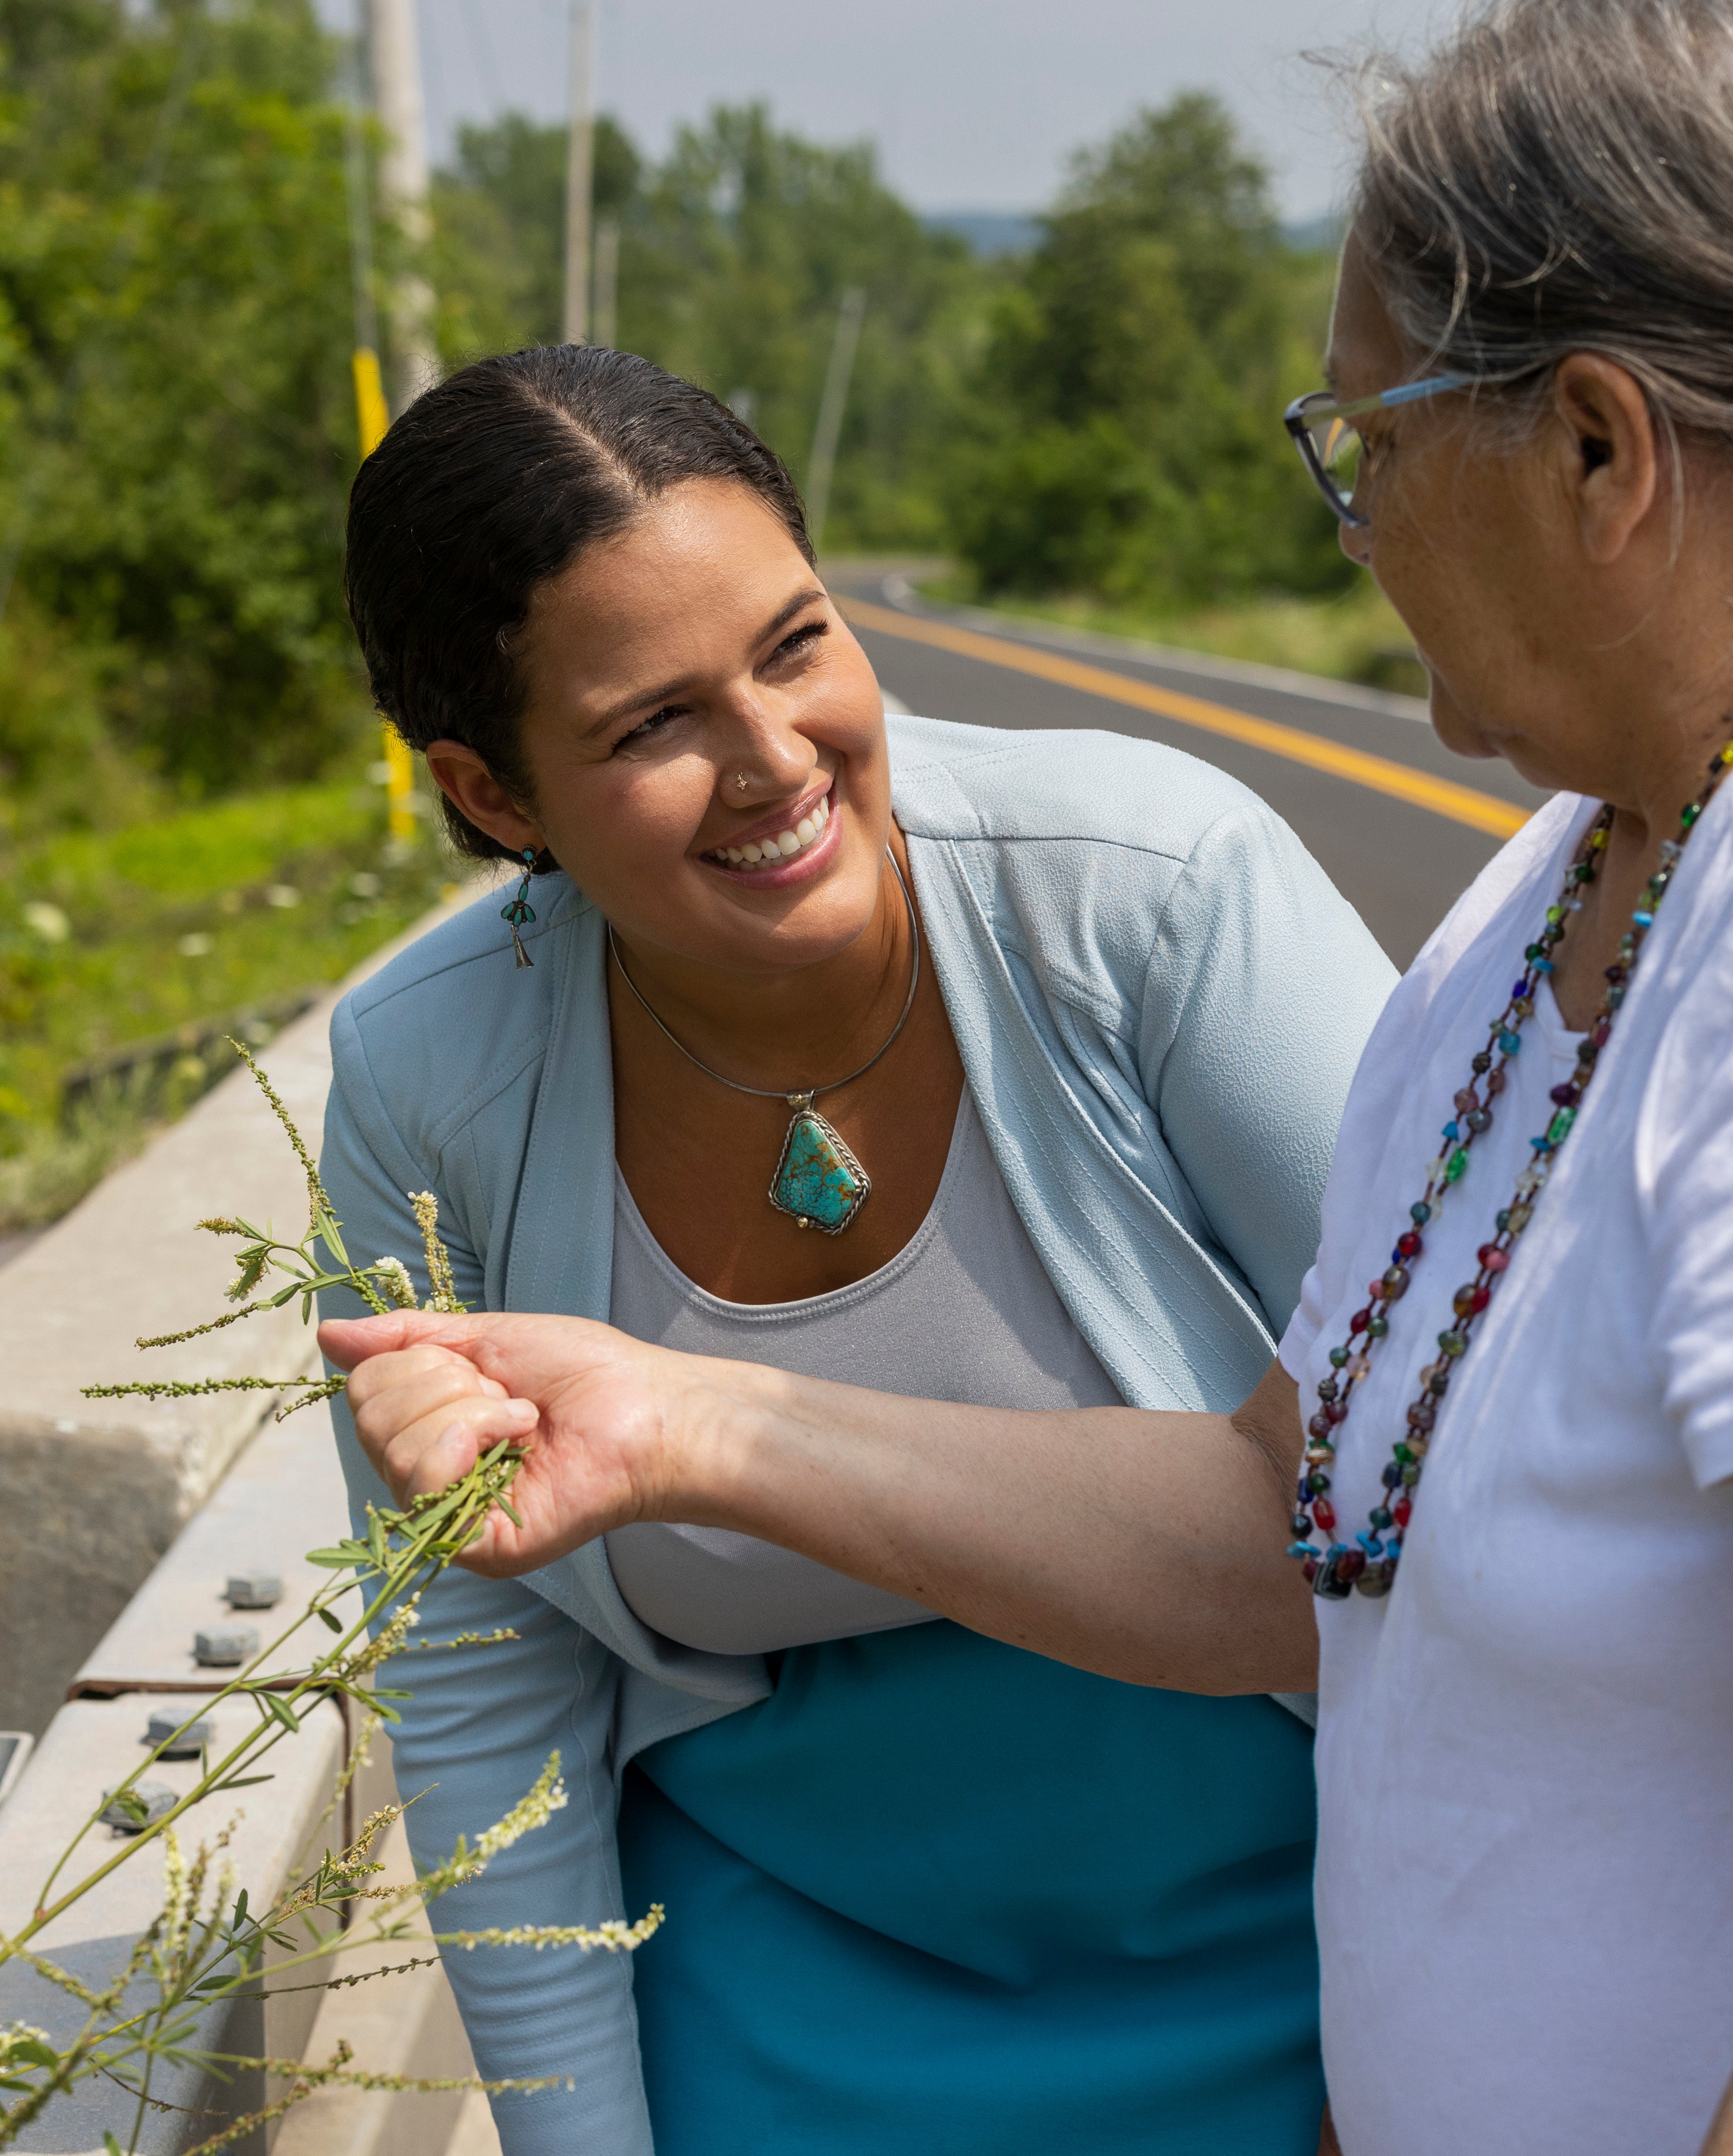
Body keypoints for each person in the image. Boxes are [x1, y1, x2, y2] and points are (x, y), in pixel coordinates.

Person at [333, 0, 1733, 2153]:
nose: (1348, 518)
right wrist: (695, 1420)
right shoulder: (1566, 897)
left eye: (1368, 441)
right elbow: (1298, 1533)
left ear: (1597, 443)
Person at [320, 345, 1392, 2156]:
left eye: (795, 642)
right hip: (784, 1968)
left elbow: (1457, 1442)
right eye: (652, 723)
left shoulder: (1151, 889)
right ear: (494, 797)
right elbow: (481, 1683)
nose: (771, 757)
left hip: (1311, 1895)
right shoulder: (428, 1077)